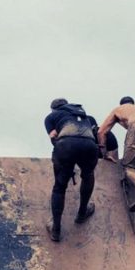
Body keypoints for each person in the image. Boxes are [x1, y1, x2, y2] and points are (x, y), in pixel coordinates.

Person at [43, 98, 101, 241]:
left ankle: (56, 229)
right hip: (89, 145)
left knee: (59, 187)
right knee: (88, 176)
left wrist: (63, 156)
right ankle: (82, 213)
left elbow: (53, 136)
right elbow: (98, 135)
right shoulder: (88, 116)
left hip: (66, 145)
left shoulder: (52, 116)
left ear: (54, 109)